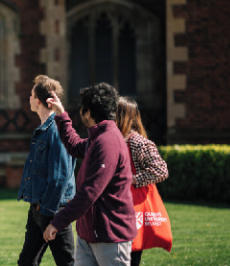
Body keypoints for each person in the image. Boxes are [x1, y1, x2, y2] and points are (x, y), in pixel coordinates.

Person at [44, 83, 137, 266]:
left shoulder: (107, 141)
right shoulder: (98, 138)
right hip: (89, 236)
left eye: (82, 108)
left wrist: (57, 222)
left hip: (110, 237)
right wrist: (61, 114)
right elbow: (75, 145)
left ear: (88, 112)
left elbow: (90, 192)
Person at [17, 75, 76, 266]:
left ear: (39, 101)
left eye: (31, 94)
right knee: (26, 262)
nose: (29, 98)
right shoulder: (43, 129)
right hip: (38, 206)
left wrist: (48, 213)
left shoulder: (57, 130)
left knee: (66, 262)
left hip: (53, 209)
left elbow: (60, 176)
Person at [115, 96, 169, 266]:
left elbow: (161, 170)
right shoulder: (114, 139)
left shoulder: (137, 142)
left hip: (132, 208)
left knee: (130, 257)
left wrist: (132, 179)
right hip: (117, 207)